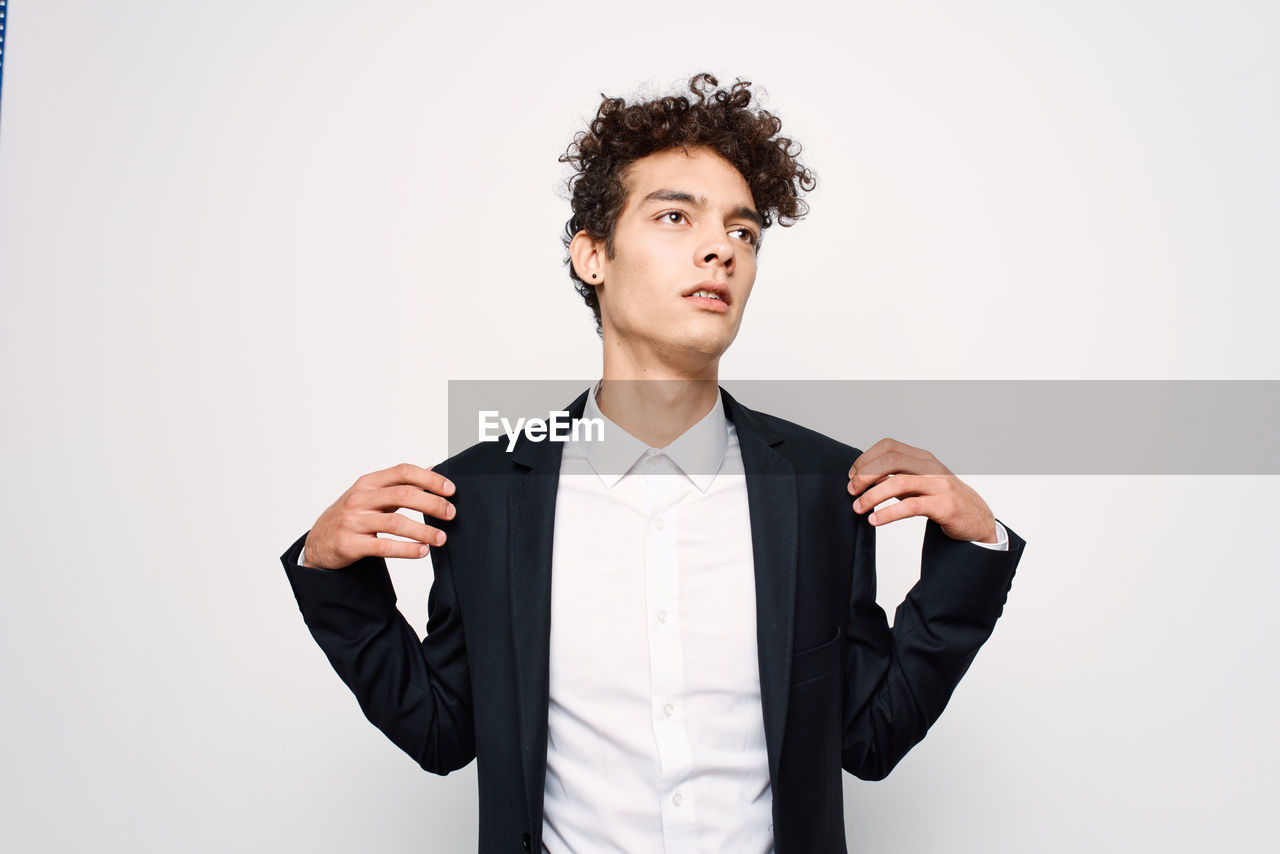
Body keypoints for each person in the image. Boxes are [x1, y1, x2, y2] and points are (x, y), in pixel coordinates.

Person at [281, 73, 1026, 854]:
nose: (721, 249)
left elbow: (869, 737)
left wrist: (974, 548)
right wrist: (332, 573)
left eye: (744, 233)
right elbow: (442, 729)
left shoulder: (820, 490)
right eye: (676, 216)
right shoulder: (488, 494)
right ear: (592, 256)